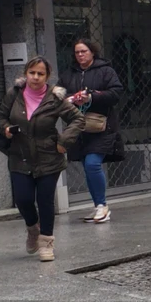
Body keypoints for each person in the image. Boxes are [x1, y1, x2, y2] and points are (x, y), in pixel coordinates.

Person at [0, 56, 84, 262]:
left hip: (48, 156)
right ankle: (32, 228)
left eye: (40, 74)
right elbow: (1, 117)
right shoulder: (14, 94)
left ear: (47, 76)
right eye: (32, 73)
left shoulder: (55, 98)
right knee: (23, 199)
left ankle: (47, 243)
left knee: (45, 200)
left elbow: (78, 119)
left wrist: (63, 141)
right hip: (20, 156)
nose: (35, 77)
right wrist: (6, 129)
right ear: (26, 73)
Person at [59, 39, 124, 224]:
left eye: (84, 51)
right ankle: (98, 206)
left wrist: (92, 96)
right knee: (88, 166)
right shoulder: (68, 74)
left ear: (92, 52)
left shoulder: (105, 71)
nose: (80, 55)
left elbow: (116, 93)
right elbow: (58, 95)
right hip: (78, 127)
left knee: (93, 164)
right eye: (77, 52)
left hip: (102, 126)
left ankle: (102, 206)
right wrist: (71, 99)